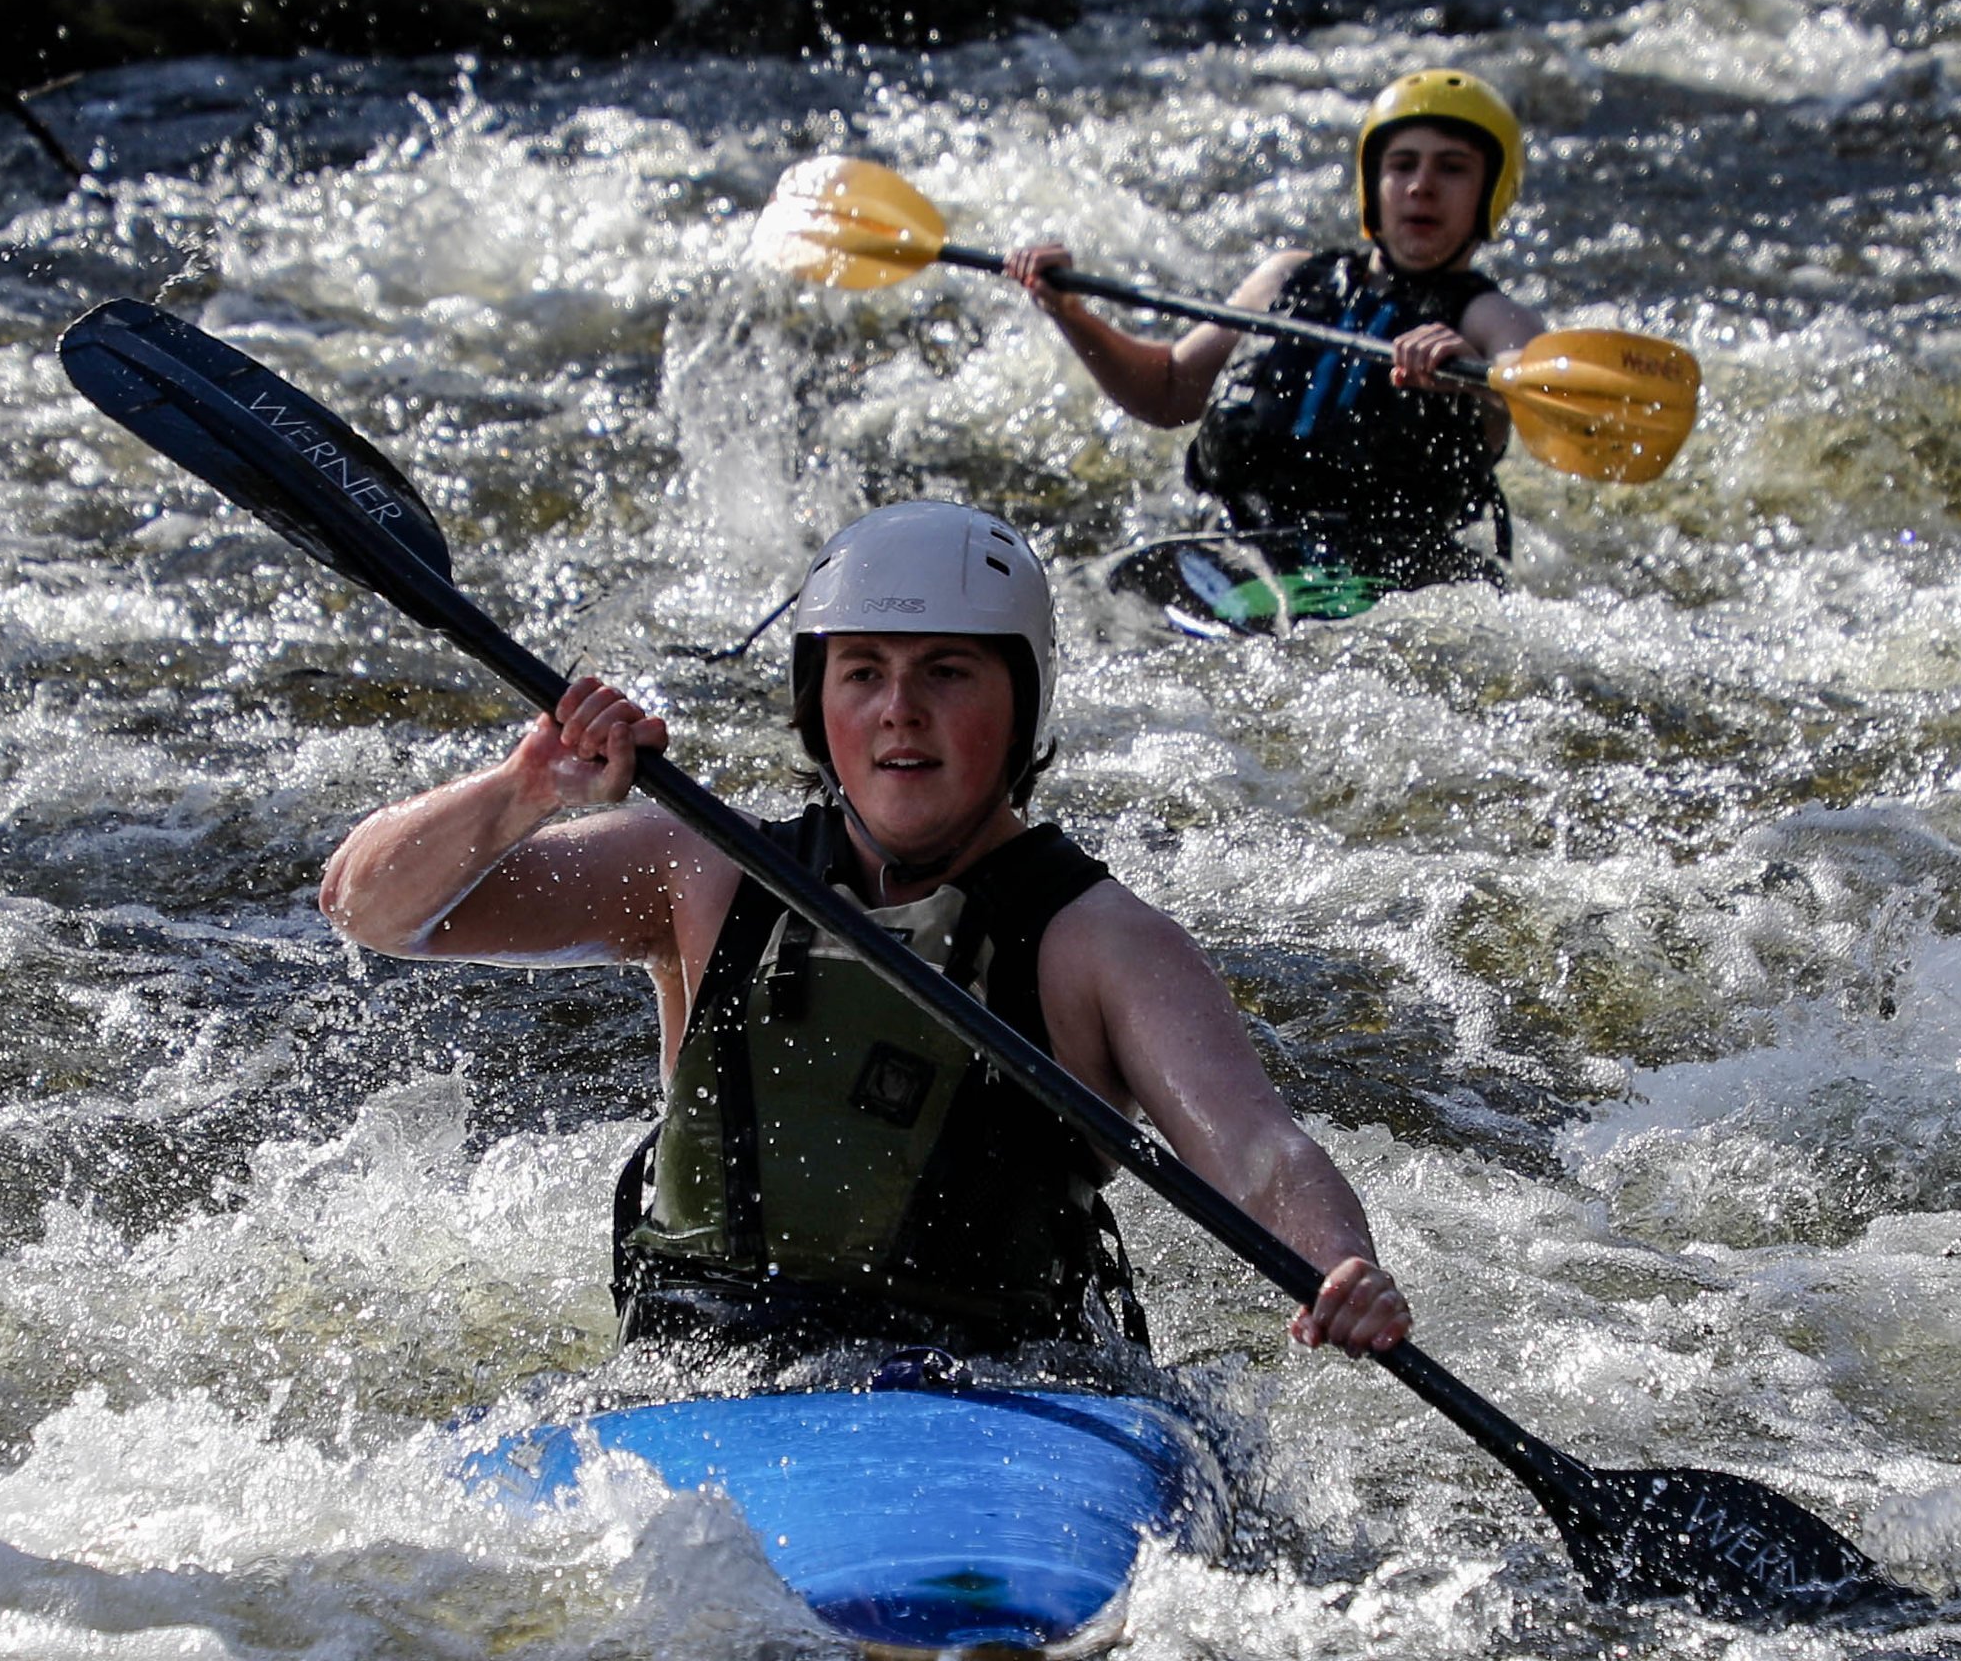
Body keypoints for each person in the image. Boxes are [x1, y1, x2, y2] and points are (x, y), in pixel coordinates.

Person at [315, 500, 1413, 1368]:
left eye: (946, 671)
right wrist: (525, 789)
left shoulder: (1099, 942)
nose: (900, 709)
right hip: (694, 1379)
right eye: (864, 674)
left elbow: (1261, 1154)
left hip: (989, 1393)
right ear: (818, 704)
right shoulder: (701, 867)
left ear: (1021, 707)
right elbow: (371, 907)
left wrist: (1339, 1261)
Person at [1002, 68, 1538, 606]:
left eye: (1452, 169)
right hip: (1239, 554)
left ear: (1490, 193)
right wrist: (1068, 311)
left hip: (1392, 582)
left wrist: (1477, 376)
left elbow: (1536, 384)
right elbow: (1165, 391)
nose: (1422, 185)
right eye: (1402, 165)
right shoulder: (1286, 280)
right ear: (1372, 185)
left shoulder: (1489, 318)